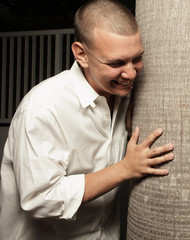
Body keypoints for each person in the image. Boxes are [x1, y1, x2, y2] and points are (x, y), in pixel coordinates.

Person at [0, 0, 175, 239]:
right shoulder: (42, 108)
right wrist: (124, 169)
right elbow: (39, 198)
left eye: (137, 58)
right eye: (116, 63)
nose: (132, 73)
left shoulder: (124, 97)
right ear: (81, 54)